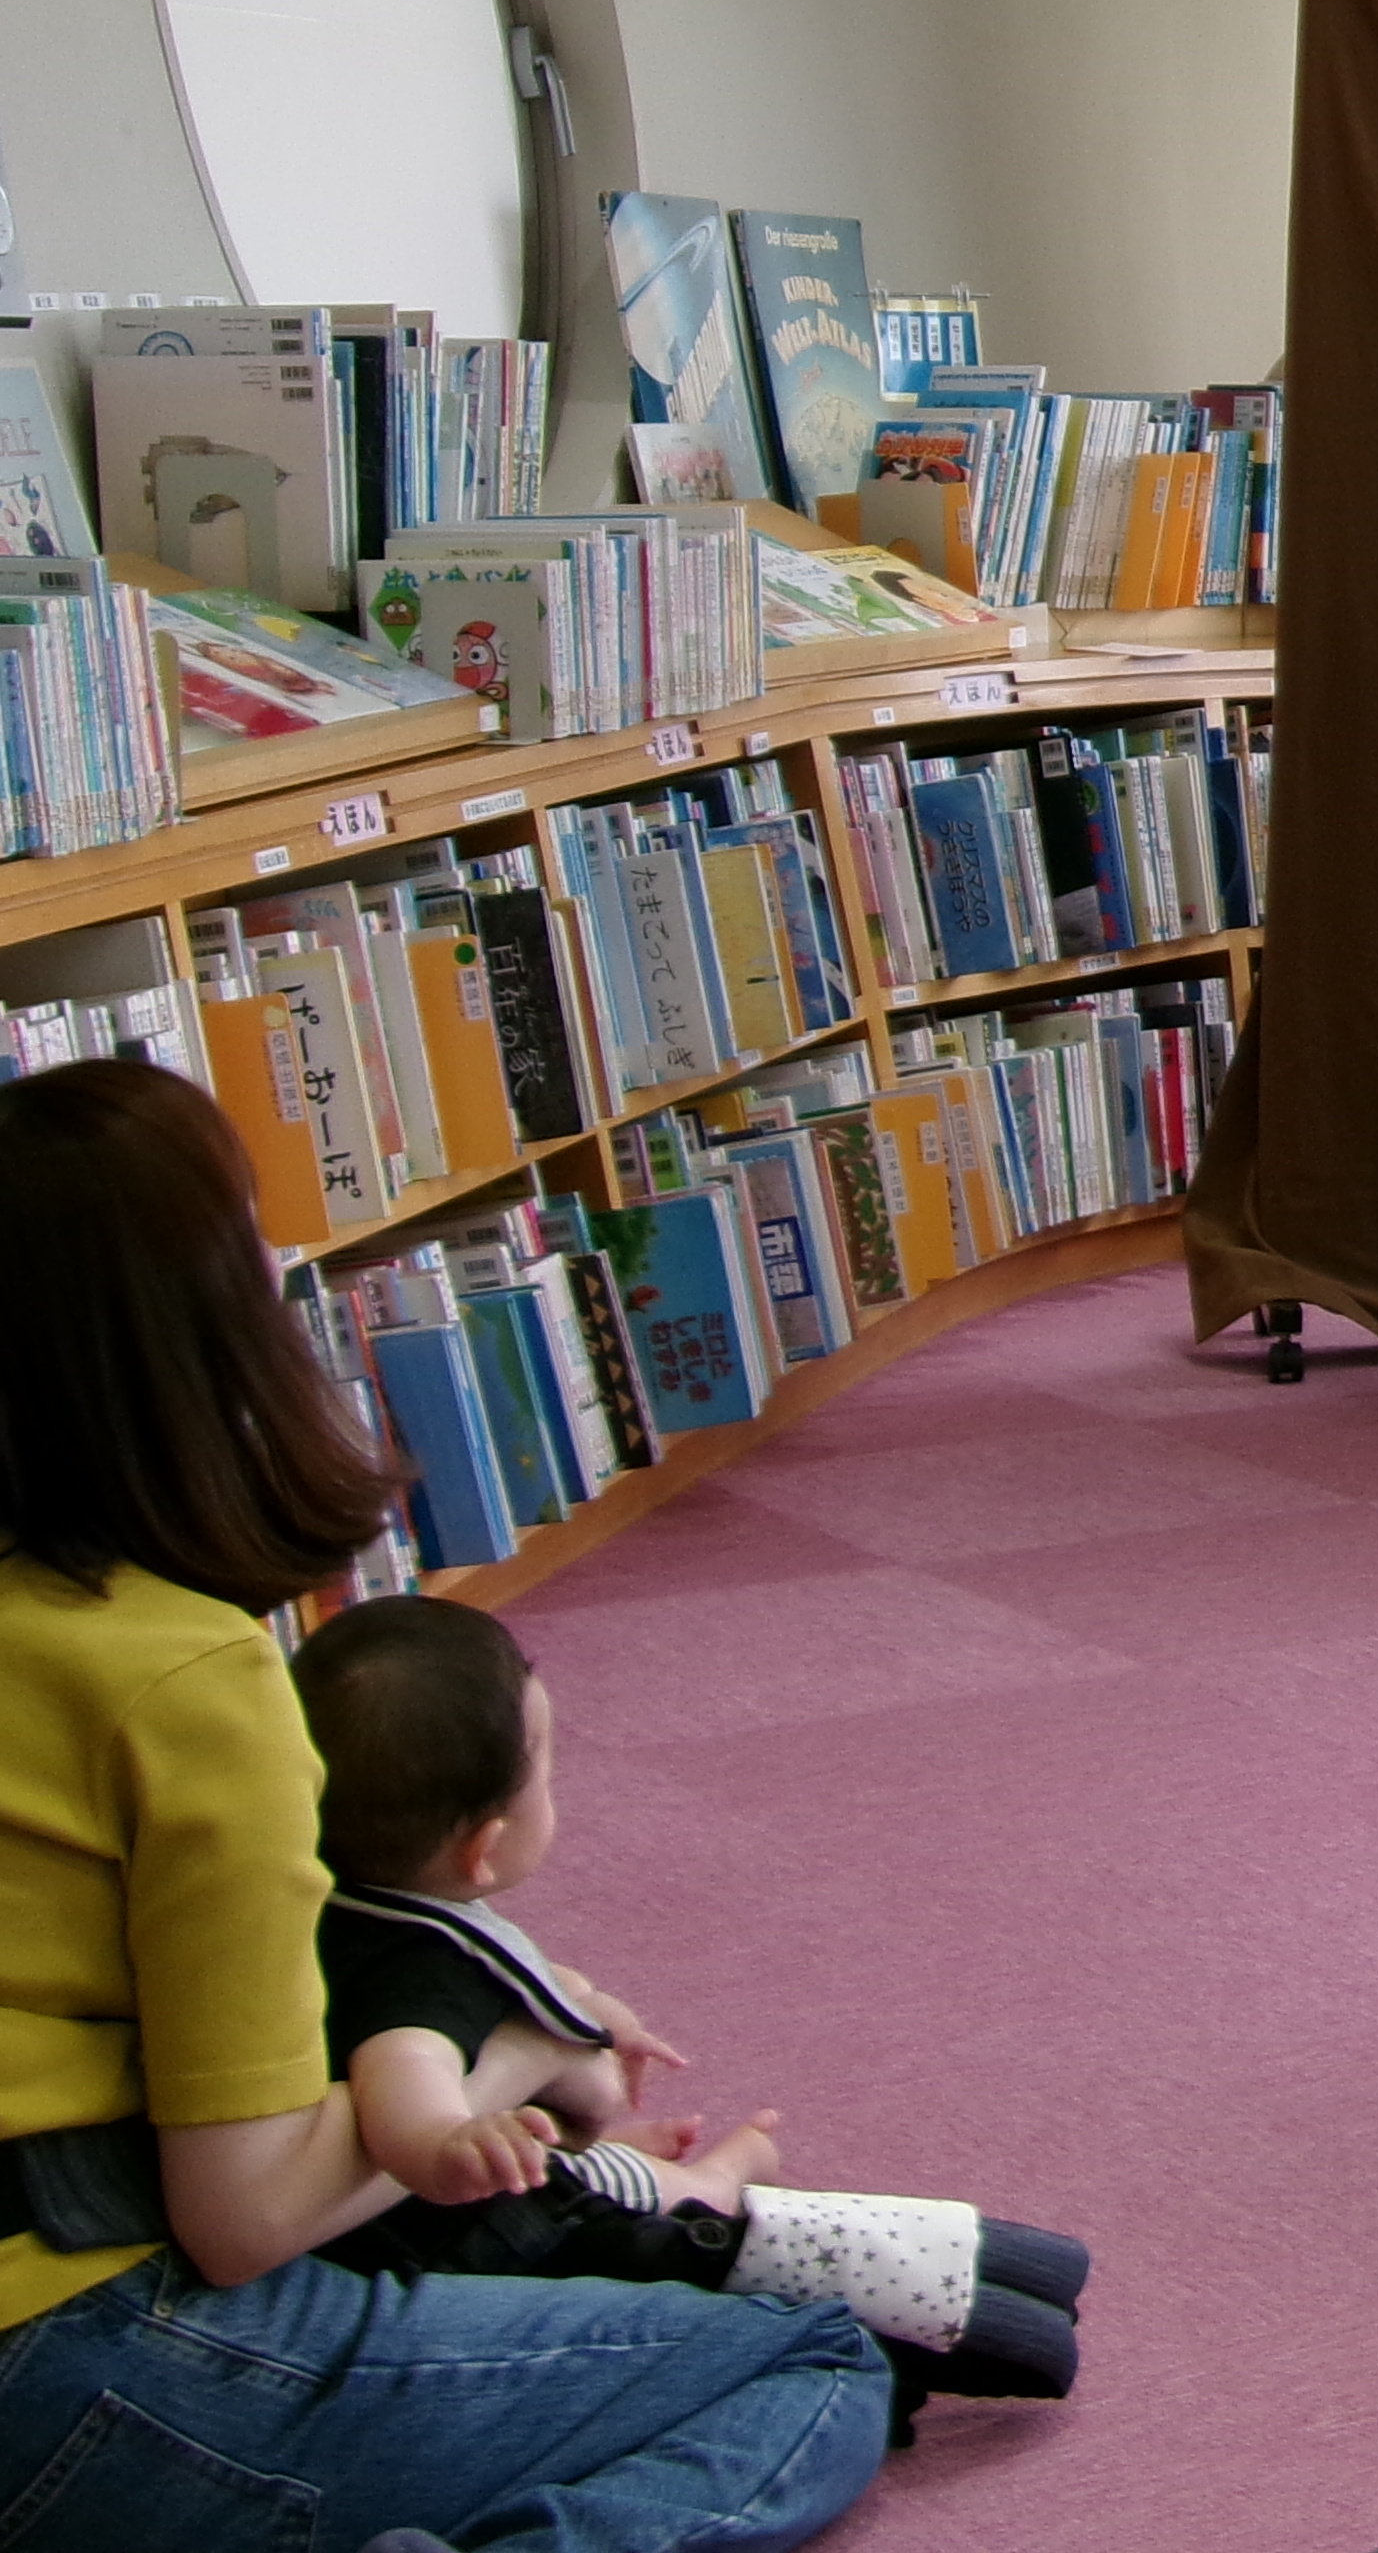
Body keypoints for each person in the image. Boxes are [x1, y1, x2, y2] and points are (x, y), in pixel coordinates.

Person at [0, 1059, 886, 2552]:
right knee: (812, 2362)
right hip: (58, 2354)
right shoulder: (182, 1676)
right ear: (202, 1325)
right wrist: (512, 2052)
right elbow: (243, 2216)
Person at [291, 1597, 1091, 2416]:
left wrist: (595, 2012)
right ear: (485, 1848)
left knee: (601, 2173)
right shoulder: (413, 1983)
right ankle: (716, 2190)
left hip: (512, 2189)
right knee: (654, 2250)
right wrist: (449, 2144)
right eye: (548, 1782)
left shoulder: (358, 1904)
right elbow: (403, 2076)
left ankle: (698, 2178)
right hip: (482, 2246)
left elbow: (526, 1982)